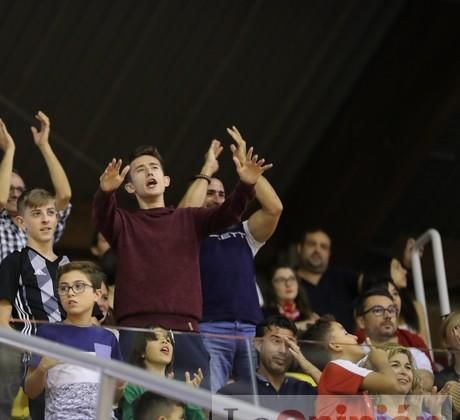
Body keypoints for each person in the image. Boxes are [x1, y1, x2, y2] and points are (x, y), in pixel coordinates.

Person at [93, 140, 269, 386]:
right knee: (135, 412)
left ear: (166, 180)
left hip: (185, 330)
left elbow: (228, 213)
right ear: (130, 187)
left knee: (196, 412)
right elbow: (102, 216)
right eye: (140, 169)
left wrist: (246, 185)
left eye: (154, 167)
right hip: (136, 331)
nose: (149, 171)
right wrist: (106, 193)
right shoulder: (124, 223)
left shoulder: (189, 218)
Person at [180, 127, 283, 391]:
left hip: (249, 330)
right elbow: (185, 214)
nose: (216, 199)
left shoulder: (244, 232)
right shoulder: (190, 231)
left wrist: (249, 174)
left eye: (221, 194)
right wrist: (207, 169)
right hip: (209, 327)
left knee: (252, 410)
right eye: (209, 192)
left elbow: (274, 209)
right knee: (212, 403)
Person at [0, 113, 72, 317]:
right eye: (9, 187)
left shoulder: (39, 222)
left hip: (43, 320)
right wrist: (9, 150)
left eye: (20, 189)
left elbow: (64, 196)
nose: (14, 192)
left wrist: (44, 146)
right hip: (1, 321)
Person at [0, 188, 70, 420]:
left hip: (71, 355)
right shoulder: (14, 261)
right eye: (36, 214)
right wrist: (31, 350)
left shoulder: (69, 266)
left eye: (50, 213)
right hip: (35, 357)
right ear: (21, 222)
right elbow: (1, 321)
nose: (46, 219)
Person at [24, 261, 122, 420]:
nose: (70, 293)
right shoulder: (47, 333)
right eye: (64, 288)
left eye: (78, 286)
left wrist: (119, 386)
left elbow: (114, 393)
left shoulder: (107, 338)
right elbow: (30, 391)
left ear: (96, 294)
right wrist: (43, 368)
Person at [210, 316, 319, 420]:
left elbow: (342, 397)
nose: (283, 350)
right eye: (276, 341)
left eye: (289, 344)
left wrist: (305, 364)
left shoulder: (304, 389)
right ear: (258, 344)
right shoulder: (233, 393)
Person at [300, 316, 405, 420]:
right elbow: (394, 386)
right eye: (346, 333)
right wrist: (381, 360)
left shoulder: (343, 373)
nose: (355, 336)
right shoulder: (338, 367)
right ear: (335, 345)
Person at [122, 326, 204, 420]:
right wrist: (160, 394)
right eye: (156, 339)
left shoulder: (182, 386)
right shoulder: (133, 387)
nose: (165, 343)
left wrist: (190, 398)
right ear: (141, 351)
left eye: (168, 340)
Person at [367, 343, 453, 420]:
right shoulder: (369, 416)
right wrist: (412, 417)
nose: (404, 371)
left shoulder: (429, 418)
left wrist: (438, 415)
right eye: (395, 365)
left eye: (408, 367)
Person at [353, 286, 434, 391]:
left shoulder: (416, 353)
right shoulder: (356, 355)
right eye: (378, 310)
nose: (387, 316)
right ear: (361, 321)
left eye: (391, 310)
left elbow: (426, 382)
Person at [295, 228, 358, 332]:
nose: (317, 250)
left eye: (323, 247)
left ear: (329, 253)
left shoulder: (342, 277)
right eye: (311, 244)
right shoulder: (286, 280)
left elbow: (371, 283)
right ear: (299, 248)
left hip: (345, 346)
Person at [360, 251, 429, 345]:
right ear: (383, 272)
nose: (404, 271)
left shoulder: (414, 306)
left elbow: (425, 347)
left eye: (395, 293)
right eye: (397, 267)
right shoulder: (365, 307)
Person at [262, 265, 319, 332]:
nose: (288, 284)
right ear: (272, 286)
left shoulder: (308, 314)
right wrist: (301, 325)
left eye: (292, 279)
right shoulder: (263, 314)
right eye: (281, 280)